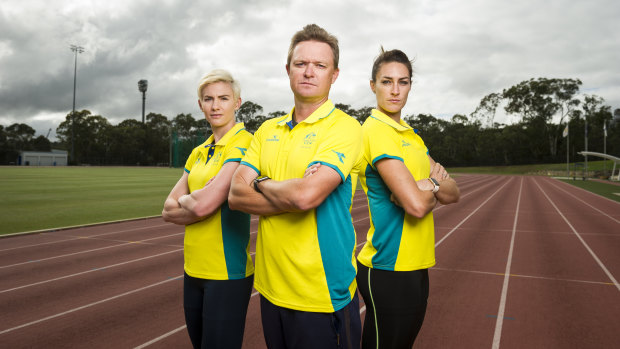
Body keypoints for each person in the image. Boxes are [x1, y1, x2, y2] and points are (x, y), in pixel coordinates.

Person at [228, 24, 362, 349]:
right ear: (288, 69)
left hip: (321, 293)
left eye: (320, 65)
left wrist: (261, 183)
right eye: (301, 64)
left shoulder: (345, 128)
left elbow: (306, 196)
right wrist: (285, 189)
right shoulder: (266, 130)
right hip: (272, 288)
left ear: (335, 74)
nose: (309, 72)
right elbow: (235, 195)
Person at [355, 49, 460, 348]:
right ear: (373, 85)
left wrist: (427, 185)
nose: (395, 90)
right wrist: (432, 187)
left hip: (416, 265)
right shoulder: (376, 131)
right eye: (387, 81)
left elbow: (454, 193)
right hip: (387, 267)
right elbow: (415, 206)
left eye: (403, 82)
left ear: (411, 85)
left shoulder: (412, 137)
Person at [162, 69, 254, 349]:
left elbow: (204, 205)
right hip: (193, 270)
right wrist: (201, 200)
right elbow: (167, 209)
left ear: (237, 103)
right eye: (208, 99)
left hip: (226, 273)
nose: (215, 106)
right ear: (200, 104)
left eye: (224, 98)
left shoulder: (243, 142)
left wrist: (196, 200)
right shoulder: (199, 150)